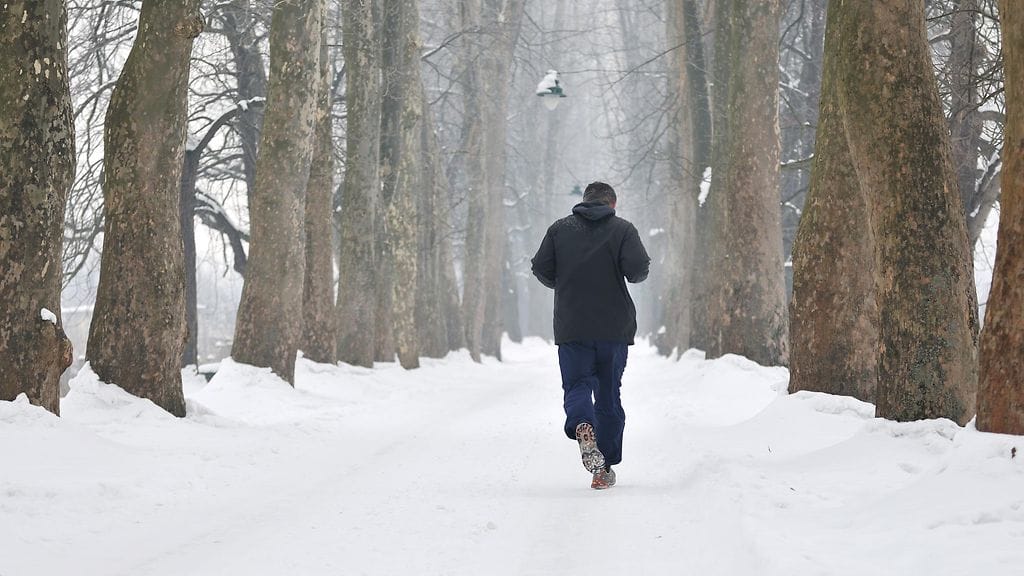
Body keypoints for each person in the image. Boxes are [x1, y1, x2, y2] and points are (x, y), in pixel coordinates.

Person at [530, 181, 650, 489]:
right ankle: (603, 469)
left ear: (584, 202)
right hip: (613, 328)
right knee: (608, 393)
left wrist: (567, 284)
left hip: (572, 326)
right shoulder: (623, 229)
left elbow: (541, 268)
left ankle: (582, 423)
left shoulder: (559, 229)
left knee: (577, 385)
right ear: (612, 204)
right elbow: (637, 271)